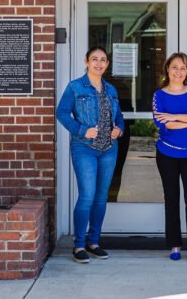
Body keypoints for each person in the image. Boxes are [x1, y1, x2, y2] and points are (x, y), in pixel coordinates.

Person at [56, 46, 124, 264]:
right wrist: (81, 129)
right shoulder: (76, 87)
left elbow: (119, 117)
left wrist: (119, 129)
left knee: (101, 197)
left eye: (103, 60)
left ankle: (94, 242)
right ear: (86, 61)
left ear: (107, 64)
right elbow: (62, 112)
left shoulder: (111, 89)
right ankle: (78, 245)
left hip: (108, 149)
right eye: (94, 59)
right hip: (84, 148)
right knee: (87, 195)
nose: (99, 63)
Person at [152, 52, 187, 263]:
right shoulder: (159, 95)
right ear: (167, 68)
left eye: (183, 68)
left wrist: (175, 117)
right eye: (174, 67)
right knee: (172, 199)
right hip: (166, 153)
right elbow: (163, 123)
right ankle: (175, 245)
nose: (178, 71)